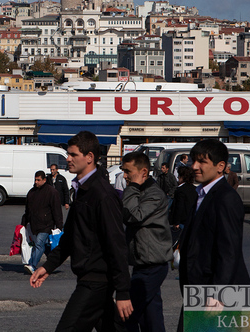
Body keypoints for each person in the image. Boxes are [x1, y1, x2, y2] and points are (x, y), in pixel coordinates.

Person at [30, 131, 133, 331]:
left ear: (89, 157)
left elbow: (116, 244)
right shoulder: (82, 190)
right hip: (91, 278)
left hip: (96, 282)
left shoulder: (102, 195)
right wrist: (48, 267)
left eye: (73, 154)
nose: (67, 159)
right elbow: (70, 237)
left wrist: (123, 291)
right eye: (68, 154)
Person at [177, 139, 250, 332]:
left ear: (220, 167)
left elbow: (229, 250)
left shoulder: (225, 198)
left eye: (202, 162)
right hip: (199, 290)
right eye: (193, 161)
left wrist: (219, 292)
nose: (194, 167)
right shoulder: (201, 193)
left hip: (217, 295)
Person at [121, 152, 172, 332]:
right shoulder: (140, 191)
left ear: (144, 172)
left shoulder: (154, 194)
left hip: (153, 265)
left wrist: (132, 186)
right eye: (123, 171)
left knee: (126, 314)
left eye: (128, 172)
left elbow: (135, 215)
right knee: (151, 317)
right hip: (142, 263)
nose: (125, 176)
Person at [21, 170, 63, 274]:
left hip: (46, 224)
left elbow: (56, 210)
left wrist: (59, 226)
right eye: (35, 179)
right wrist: (24, 223)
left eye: (38, 180)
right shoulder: (31, 192)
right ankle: (54, 261)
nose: (36, 182)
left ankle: (32, 265)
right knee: (45, 246)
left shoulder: (51, 192)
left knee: (39, 244)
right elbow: (28, 210)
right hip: (35, 225)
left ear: (44, 180)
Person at [169, 166, 197, 231]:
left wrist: (176, 222)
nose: (178, 177)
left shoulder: (180, 190)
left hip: (181, 222)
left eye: (179, 175)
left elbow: (179, 207)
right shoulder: (194, 189)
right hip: (191, 220)